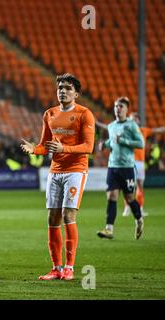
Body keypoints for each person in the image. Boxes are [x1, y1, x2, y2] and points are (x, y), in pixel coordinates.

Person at [20, 74, 95, 281]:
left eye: (68, 88)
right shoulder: (49, 114)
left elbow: (89, 147)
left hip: (76, 170)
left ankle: (69, 268)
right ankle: (56, 268)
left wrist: (64, 148)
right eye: (60, 87)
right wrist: (34, 149)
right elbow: (45, 145)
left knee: (68, 215)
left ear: (76, 93)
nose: (63, 91)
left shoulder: (84, 114)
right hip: (55, 170)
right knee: (53, 218)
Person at [96, 112, 165, 216]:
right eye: (131, 119)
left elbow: (157, 130)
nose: (133, 121)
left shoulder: (143, 130)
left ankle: (140, 208)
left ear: (139, 121)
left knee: (140, 186)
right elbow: (109, 127)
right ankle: (127, 208)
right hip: (129, 162)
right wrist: (98, 123)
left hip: (141, 163)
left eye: (135, 119)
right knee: (128, 186)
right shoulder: (125, 130)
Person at [96, 97, 144, 240]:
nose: (118, 108)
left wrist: (123, 141)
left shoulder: (131, 125)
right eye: (116, 106)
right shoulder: (111, 126)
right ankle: (109, 229)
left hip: (127, 168)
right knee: (111, 196)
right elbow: (112, 140)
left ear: (126, 109)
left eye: (121, 106)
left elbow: (140, 143)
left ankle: (139, 220)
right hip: (113, 167)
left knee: (129, 198)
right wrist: (105, 144)